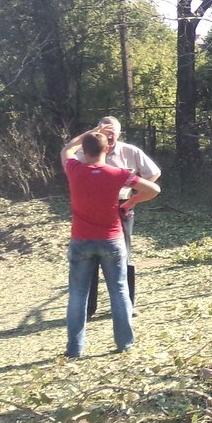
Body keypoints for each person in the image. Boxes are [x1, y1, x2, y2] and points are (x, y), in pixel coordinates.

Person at [61, 131, 160, 358]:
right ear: (107, 150)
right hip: (111, 240)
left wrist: (86, 134)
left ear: (84, 152)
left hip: (81, 240)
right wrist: (129, 203)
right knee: (119, 291)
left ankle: (74, 348)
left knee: (77, 295)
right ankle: (124, 343)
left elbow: (66, 150)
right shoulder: (118, 174)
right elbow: (154, 189)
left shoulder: (74, 169)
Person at [80, 116, 161, 319]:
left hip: (122, 208)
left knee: (124, 256)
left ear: (119, 133)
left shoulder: (130, 151)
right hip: (92, 210)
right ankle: (88, 309)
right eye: (104, 131)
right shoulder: (87, 152)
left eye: (112, 132)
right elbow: (68, 155)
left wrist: (134, 197)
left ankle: (127, 305)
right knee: (91, 258)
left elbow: (154, 173)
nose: (109, 135)